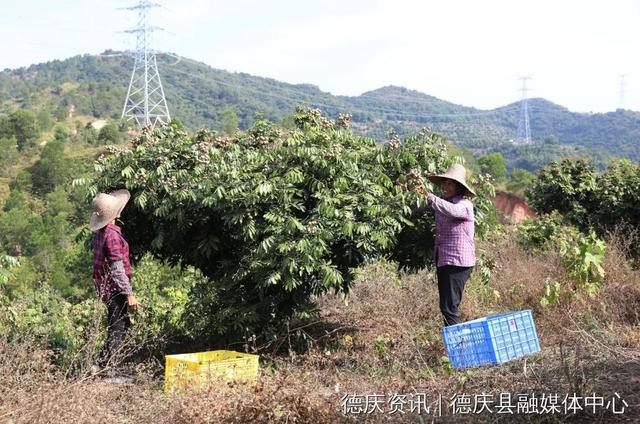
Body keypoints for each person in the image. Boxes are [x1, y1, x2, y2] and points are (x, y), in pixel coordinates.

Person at [414, 164, 476, 327]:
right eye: (444, 183)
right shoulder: (442, 202)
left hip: (458, 261)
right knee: (446, 306)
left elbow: (451, 211)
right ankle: (456, 343)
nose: (445, 187)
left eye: (450, 184)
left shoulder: (464, 205)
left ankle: (458, 346)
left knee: (449, 307)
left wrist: (429, 196)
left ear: (458, 187)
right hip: (444, 259)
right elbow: (418, 208)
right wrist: (410, 193)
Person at [89, 189, 140, 373]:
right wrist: (129, 295)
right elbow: (117, 270)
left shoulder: (101, 233)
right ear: (116, 213)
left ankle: (100, 365)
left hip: (106, 288)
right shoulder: (111, 235)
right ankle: (106, 370)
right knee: (117, 329)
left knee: (120, 325)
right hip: (114, 289)